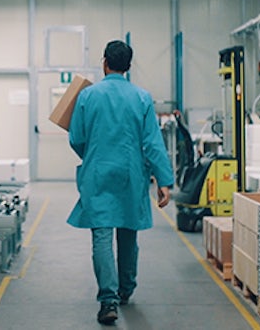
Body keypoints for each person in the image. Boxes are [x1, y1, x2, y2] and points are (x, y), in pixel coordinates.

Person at [67, 40, 174, 325]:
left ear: (105, 63)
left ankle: (108, 301)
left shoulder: (87, 96)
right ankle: (126, 290)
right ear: (128, 67)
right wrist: (164, 180)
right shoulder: (141, 98)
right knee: (128, 233)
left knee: (101, 236)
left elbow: (76, 137)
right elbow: (152, 142)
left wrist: (92, 155)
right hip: (130, 175)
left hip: (98, 174)